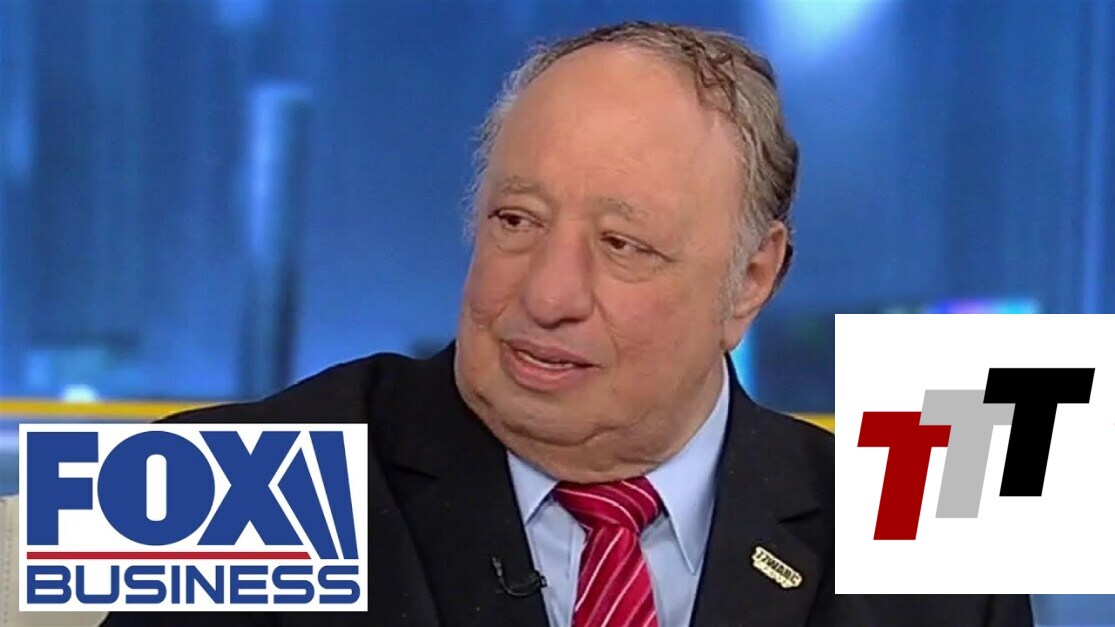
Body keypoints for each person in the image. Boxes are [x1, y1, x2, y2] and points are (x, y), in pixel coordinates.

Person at [103, 21, 1033, 627]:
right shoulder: (223, 489)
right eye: (517, 221)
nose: (547, 293)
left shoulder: (938, 547)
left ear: (751, 279)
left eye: (623, 244)